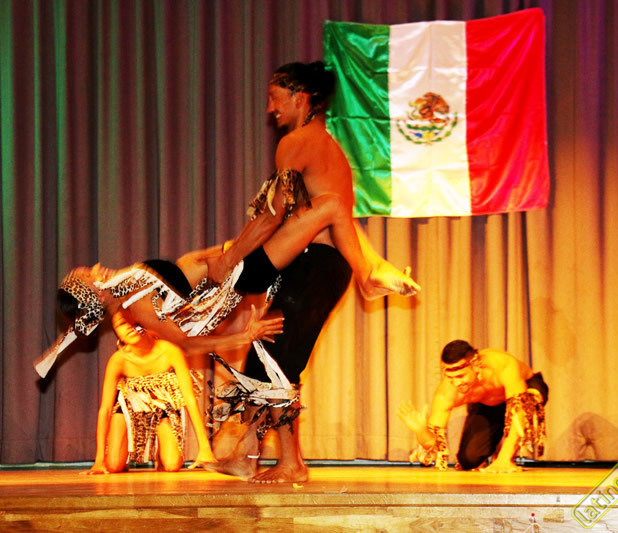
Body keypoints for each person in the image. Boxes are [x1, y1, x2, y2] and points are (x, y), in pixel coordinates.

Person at [203, 61, 420, 484]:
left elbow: (272, 216)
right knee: (264, 357)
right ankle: (248, 455)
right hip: (317, 267)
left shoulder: (297, 142)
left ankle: (291, 463)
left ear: (299, 97)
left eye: (274, 98)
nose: (270, 109)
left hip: (316, 268)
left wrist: (231, 260)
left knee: (277, 363)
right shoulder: (329, 148)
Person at [84, 307, 216, 474]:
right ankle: (121, 454)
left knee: (172, 466)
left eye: (134, 322)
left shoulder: (170, 351)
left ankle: (161, 452)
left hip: (163, 408)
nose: (130, 328)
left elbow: (189, 398)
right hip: (128, 408)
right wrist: (99, 460)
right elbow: (106, 409)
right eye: (122, 324)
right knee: (113, 466)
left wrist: (204, 448)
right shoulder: (118, 360)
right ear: (116, 332)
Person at [398, 339, 548, 473]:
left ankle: (504, 455)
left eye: (460, 376)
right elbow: (434, 444)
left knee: (529, 401)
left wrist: (504, 458)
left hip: (526, 391)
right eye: (450, 377)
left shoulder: (503, 364)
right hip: (489, 405)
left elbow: (519, 411)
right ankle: (495, 446)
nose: (456, 383)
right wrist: (421, 430)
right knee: (469, 460)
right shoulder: (446, 394)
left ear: (476, 366)